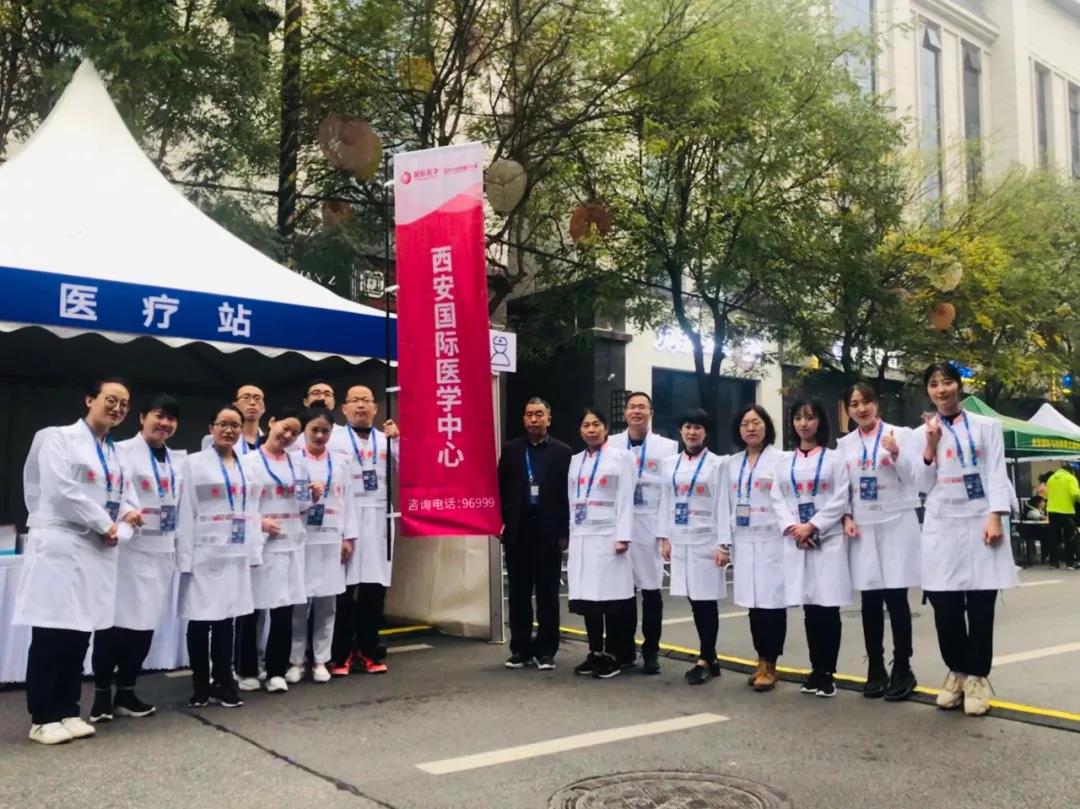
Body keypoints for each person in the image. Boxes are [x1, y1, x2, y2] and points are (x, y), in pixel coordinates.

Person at [14, 378, 140, 745]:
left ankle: (68, 709)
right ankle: (43, 717)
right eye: (111, 399)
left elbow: (130, 505)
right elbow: (61, 490)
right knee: (51, 632)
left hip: (97, 550)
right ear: (89, 400)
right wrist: (106, 524)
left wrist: (121, 529)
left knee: (80, 632)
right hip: (61, 544)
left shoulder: (117, 455)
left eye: (124, 404)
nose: (117, 408)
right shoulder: (58, 438)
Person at [914, 362, 1017, 717]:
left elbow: (996, 472)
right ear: (928, 391)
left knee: (981, 602)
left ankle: (976, 677)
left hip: (980, 521)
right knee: (945, 604)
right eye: (934, 384)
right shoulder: (921, 432)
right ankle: (956, 670)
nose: (941, 389)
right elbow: (920, 485)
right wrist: (929, 448)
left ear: (959, 386)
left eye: (947, 382)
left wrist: (995, 515)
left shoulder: (987, 427)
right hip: (942, 524)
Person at [91, 394, 183, 723]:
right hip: (126, 553)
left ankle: (127, 692)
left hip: (161, 552)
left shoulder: (178, 461)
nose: (165, 423)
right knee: (113, 625)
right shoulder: (120, 452)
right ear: (142, 417)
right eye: (159, 415)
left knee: (143, 627)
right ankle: (102, 695)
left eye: (171, 419)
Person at [838, 383, 921, 702]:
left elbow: (915, 478)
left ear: (877, 404)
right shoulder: (845, 444)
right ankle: (875, 666)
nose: (861, 409)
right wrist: (846, 516)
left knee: (896, 598)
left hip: (895, 523)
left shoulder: (902, 435)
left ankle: (903, 666)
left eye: (866, 402)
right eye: (854, 403)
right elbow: (842, 487)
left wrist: (897, 454)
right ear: (848, 409)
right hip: (862, 526)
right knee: (870, 599)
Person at [178, 405, 261, 709]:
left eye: (235, 425)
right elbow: (185, 510)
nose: (229, 430)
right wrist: (185, 557)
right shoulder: (193, 464)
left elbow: (253, 510)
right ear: (211, 428)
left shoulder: (248, 466)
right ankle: (200, 684)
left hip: (235, 555)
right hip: (204, 554)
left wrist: (254, 550)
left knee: (228, 620)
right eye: (223, 424)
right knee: (200, 621)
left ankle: (224, 681)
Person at [771, 398, 851, 699]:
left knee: (827, 607)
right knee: (809, 608)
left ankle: (828, 673)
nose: (804, 424)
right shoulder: (784, 462)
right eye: (798, 418)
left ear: (820, 421)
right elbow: (777, 498)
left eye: (810, 417)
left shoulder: (834, 460)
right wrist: (794, 527)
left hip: (826, 540)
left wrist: (814, 525)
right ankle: (815, 669)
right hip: (798, 540)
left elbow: (841, 497)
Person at [237, 407, 314, 693]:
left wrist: (314, 496)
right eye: (285, 427)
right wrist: (259, 522)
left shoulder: (298, 464)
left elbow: (302, 504)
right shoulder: (248, 462)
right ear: (271, 422)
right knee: (252, 608)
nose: (288, 435)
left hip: (291, 543)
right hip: (261, 544)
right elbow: (239, 503)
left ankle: (275, 670)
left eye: (295, 432)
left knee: (284, 607)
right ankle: (245, 668)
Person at [497, 397, 573, 670]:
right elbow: (500, 488)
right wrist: (499, 522)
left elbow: (568, 495)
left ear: (548, 419)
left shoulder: (563, 453)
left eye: (539, 414)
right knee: (518, 592)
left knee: (547, 592)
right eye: (529, 414)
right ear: (523, 418)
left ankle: (546, 650)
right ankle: (520, 649)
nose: (533, 419)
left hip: (549, 530)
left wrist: (565, 530)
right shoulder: (511, 450)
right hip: (518, 529)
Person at [328, 385, 398, 675]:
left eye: (366, 400)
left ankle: (369, 650)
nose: (361, 405)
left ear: (375, 408)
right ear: (344, 408)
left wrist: (399, 440)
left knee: (374, 588)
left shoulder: (386, 438)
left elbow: (409, 469)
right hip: (347, 514)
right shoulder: (333, 438)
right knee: (344, 590)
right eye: (355, 400)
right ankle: (340, 653)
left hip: (379, 515)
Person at [658, 408, 731, 685]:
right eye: (688, 427)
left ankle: (705, 658)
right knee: (693, 599)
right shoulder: (670, 465)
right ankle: (711, 658)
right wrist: (664, 537)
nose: (692, 432)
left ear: (706, 432)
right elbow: (666, 501)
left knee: (705, 601)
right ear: (681, 430)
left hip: (706, 541)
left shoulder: (717, 464)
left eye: (698, 427)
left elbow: (723, 504)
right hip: (680, 540)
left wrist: (723, 544)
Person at [608, 392, 679, 673]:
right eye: (632, 407)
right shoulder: (612, 444)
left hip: (650, 523)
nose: (636, 411)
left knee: (651, 591)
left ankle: (651, 651)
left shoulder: (667, 447)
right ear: (625, 413)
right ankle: (623, 650)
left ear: (651, 412)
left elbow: (669, 493)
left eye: (642, 407)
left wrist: (665, 533)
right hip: (620, 523)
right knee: (621, 592)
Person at [288, 406, 357, 684]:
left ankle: (320, 660)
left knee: (327, 604)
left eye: (325, 431)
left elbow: (348, 501)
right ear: (304, 431)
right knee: (298, 604)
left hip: (331, 539)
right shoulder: (292, 460)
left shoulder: (341, 462)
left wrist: (348, 537)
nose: (319, 436)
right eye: (314, 430)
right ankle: (296, 660)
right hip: (302, 538)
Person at [566, 408, 636, 679]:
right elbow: (572, 499)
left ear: (606, 429)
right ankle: (595, 652)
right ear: (580, 430)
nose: (591, 430)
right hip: (582, 537)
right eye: (586, 425)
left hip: (608, 538)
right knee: (588, 600)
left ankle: (614, 655)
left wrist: (623, 535)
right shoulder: (576, 461)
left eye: (596, 424)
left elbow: (626, 498)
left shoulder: (622, 458)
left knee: (611, 600)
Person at [726, 404, 785, 692]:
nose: (751, 428)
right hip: (744, 541)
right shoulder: (731, 463)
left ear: (767, 426)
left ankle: (771, 663)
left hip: (772, 541)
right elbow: (726, 504)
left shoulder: (781, 460)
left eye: (756, 422)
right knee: (753, 605)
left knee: (771, 604)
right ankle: (760, 660)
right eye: (745, 423)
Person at [200, 384, 265, 454]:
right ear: (235, 406)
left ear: (263, 408)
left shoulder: (269, 441)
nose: (252, 403)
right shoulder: (214, 439)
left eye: (257, 398)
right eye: (246, 397)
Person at [1044, 463, 1080, 569]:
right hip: (1066, 511)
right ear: (1072, 471)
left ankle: (1053, 562)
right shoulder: (1070, 478)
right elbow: (1075, 494)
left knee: (1053, 537)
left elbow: (1047, 494)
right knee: (1070, 537)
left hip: (1052, 511)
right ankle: (1070, 562)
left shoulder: (1051, 479)